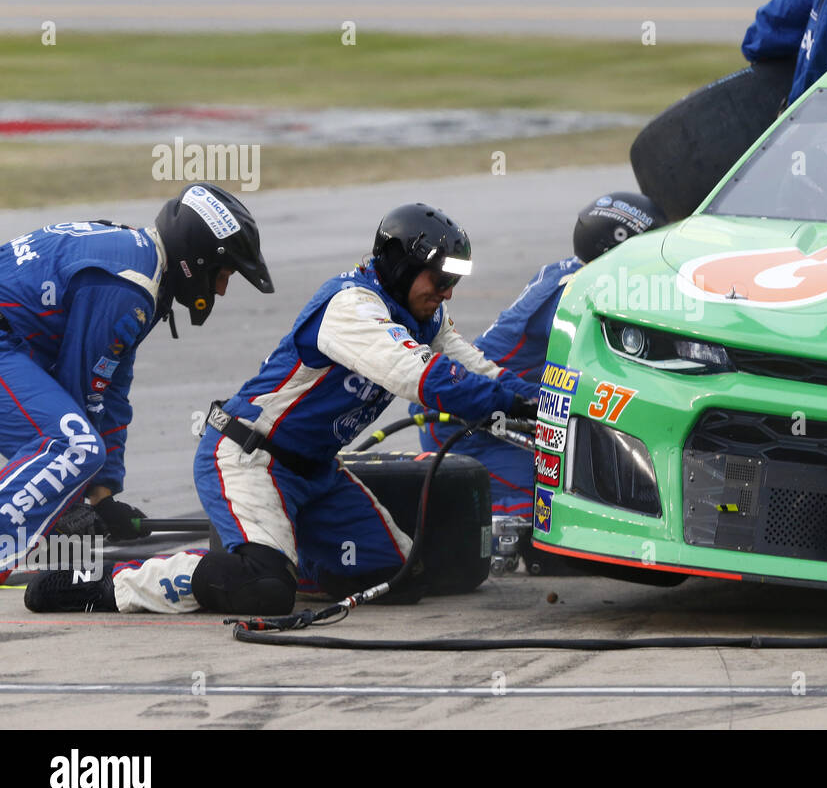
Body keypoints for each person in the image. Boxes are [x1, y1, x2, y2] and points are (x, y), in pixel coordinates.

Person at [25, 204, 538, 614]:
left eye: (453, 282)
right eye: (438, 279)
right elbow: (421, 379)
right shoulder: (352, 306)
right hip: (250, 458)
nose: (447, 291)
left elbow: (481, 372)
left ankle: (266, 562)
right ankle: (108, 584)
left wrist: (543, 397)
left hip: (317, 473)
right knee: (264, 593)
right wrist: (509, 398)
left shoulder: (428, 315)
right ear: (403, 269)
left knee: (398, 578)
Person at [0, 184, 273, 583]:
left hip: (12, 344)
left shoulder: (140, 263)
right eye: (224, 273)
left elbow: (110, 392)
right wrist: (73, 498)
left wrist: (102, 495)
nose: (220, 289)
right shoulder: (129, 285)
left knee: (74, 448)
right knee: (72, 445)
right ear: (196, 258)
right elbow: (79, 388)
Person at [411, 192, 667, 572]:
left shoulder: (567, 271)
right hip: (467, 419)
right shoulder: (577, 297)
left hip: (491, 403)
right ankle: (483, 532)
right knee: (561, 509)